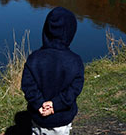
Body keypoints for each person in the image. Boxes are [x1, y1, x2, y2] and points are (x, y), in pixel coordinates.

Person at [21, 7, 85, 135]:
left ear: (46, 30)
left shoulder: (34, 58)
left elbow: (28, 86)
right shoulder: (75, 61)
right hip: (62, 118)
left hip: (38, 117)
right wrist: (55, 105)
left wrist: (39, 104)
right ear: (70, 32)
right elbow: (74, 89)